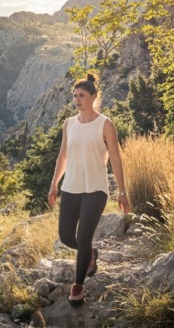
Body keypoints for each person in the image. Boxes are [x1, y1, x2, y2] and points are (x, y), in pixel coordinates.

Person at [47, 73, 129, 306]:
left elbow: (116, 159)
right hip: (71, 187)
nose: (77, 100)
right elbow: (63, 156)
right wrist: (54, 184)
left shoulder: (106, 124)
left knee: (83, 237)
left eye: (81, 95)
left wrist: (122, 191)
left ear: (93, 96)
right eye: (74, 96)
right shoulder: (69, 124)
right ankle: (90, 253)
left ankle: (78, 286)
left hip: (95, 189)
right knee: (66, 236)